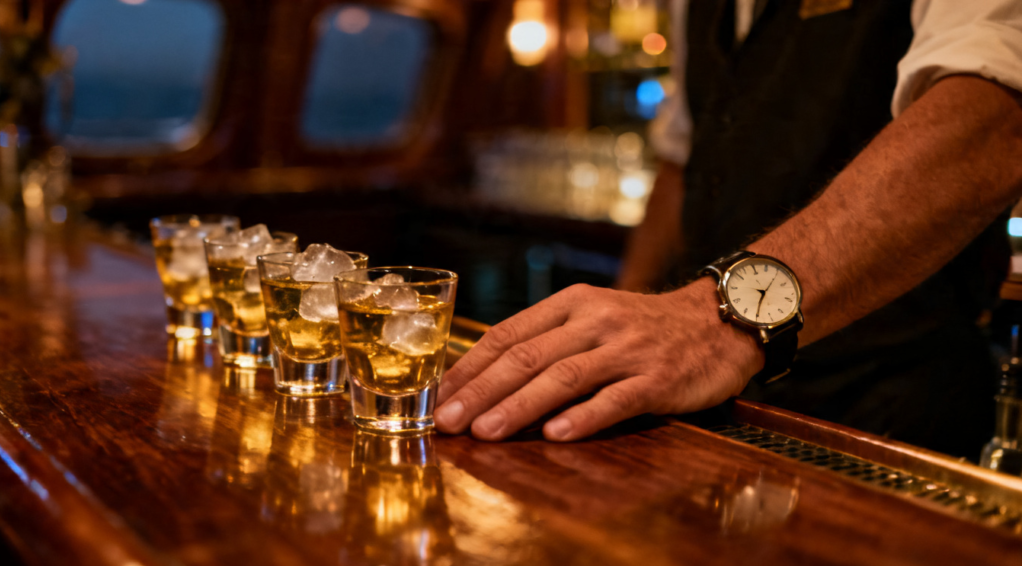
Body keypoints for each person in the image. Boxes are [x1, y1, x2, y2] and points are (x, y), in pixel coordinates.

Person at [434, 0, 1022, 457]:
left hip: (888, 405)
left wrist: (715, 319)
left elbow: (995, 115)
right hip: (717, 409)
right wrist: (619, 336)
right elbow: (683, 156)